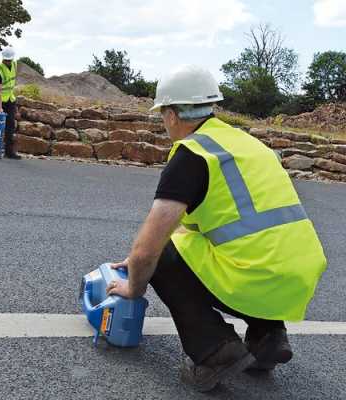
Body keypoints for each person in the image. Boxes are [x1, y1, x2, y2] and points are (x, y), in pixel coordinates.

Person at [106, 65, 327, 392]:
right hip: (298, 280)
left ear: (171, 114)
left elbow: (146, 251)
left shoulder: (192, 154)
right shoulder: (248, 144)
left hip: (256, 278)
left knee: (161, 257)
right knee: (233, 249)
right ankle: (268, 336)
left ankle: (214, 351)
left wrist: (133, 287)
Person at [0, 46, 21, 159]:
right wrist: (0, 108)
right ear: (3, 58)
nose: (7, 61)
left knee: (10, 124)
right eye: (6, 59)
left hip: (10, 98)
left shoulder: (15, 64)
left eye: (9, 59)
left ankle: (9, 152)